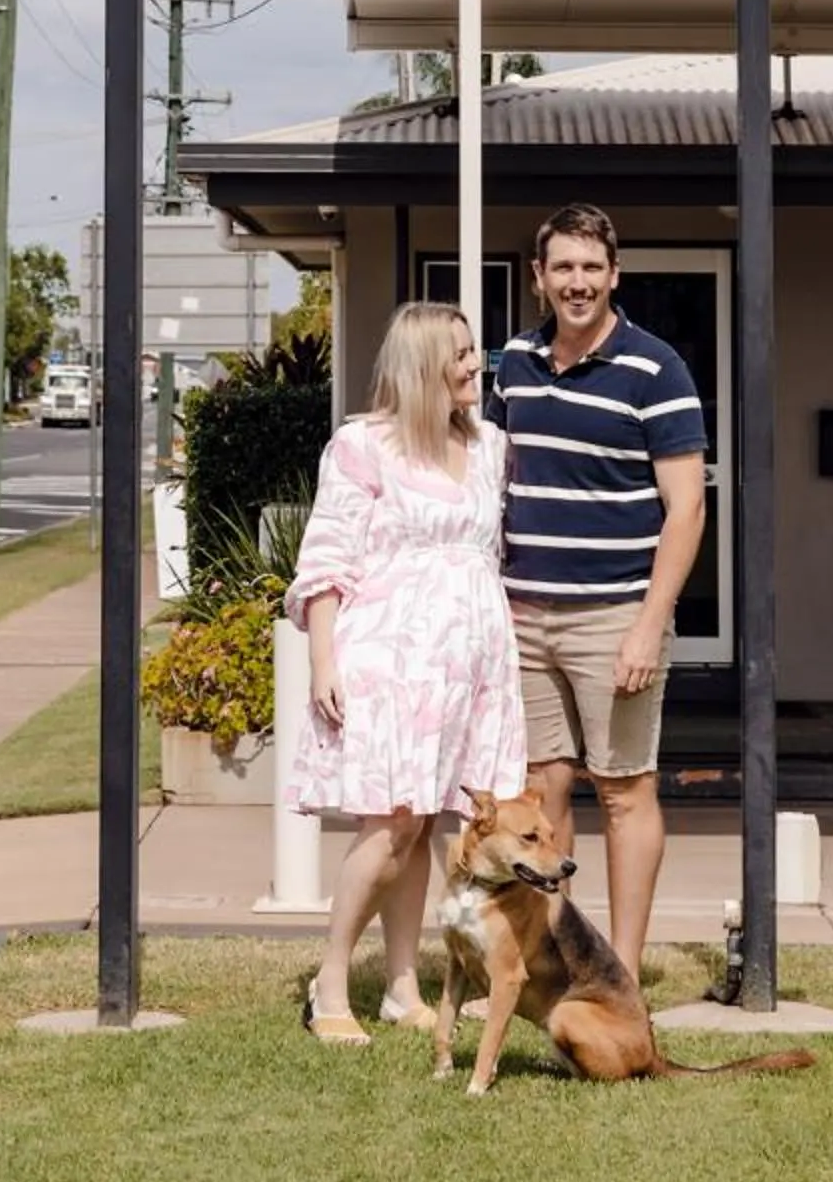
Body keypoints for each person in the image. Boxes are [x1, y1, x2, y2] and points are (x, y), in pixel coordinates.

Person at [284, 302, 526, 1045]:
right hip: (392, 662)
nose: (475, 364)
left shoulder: (490, 446)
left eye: (474, 350)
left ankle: (400, 986)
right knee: (390, 824)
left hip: (471, 665)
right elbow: (326, 559)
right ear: (422, 367)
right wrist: (323, 659)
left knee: (424, 823)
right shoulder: (363, 446)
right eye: (460, 354)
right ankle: (329, 984)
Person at [488, 204, 708, 985]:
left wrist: (649, 625)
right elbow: (489, 477)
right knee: (541, 796)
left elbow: (688, 508)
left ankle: (619, 976)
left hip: (614, 616)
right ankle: (554, 966)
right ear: (539, 277)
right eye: (563, 268)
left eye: (591, 267)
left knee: (623, 790)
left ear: (614, 274)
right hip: (521, 617)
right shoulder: (513, 364)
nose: (576, 283)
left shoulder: (657, 370)